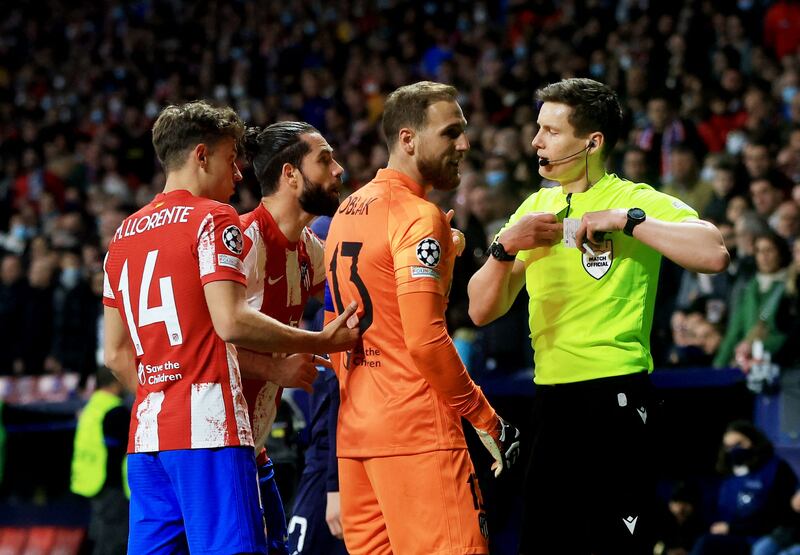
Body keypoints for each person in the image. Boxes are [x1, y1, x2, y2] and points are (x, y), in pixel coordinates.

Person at [467, 78, 729, 555]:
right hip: (548, 397)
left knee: (615, 545)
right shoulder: (535, 209)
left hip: (618, 393)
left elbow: (713, 252)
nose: (536, 141)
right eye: (537, 128)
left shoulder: (635, 198)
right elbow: (481, 309)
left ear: (591, 142)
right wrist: (504, 247)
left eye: (551, 130)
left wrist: (627, 221)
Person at [102, 101, 360, 555]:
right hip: (213, 433)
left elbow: (116, 355)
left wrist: (164, 400)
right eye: (230, 159)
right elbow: (231, 321)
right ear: (202, 156)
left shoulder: (123, 234)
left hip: (149, 437)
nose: (239, 174)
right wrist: (315, 343)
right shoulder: (217, 220)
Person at [324, 81, 520, 555]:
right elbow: (426, 341)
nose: (465, 145)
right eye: (451, 133)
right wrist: (486, 419)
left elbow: (344, 332)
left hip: (358, 438)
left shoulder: (346, 211)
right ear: (409, 139)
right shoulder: (418, 216)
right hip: (417, 435)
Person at [236, 121, 344, 554]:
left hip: (253, 447)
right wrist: (276, 367)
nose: (339, 170)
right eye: (325, 160)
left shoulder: (308, 250)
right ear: (290, 174)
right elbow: (200, 343)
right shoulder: (243, 241)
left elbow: (352, 310)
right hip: (214, 446)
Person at [286, 217, 348, 555]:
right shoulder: (318, 317)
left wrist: (333, 487)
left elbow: (339, 412)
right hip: (326, 463)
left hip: (330, 468)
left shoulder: (343, 319)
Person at [691, 420, 798, 555]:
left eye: (739, 444)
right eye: (728, 446)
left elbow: (778, 516)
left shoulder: (776, 469)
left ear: (754, 441)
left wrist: (732, 528)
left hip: (764, 535)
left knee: (707, 543)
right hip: (735, 534)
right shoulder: (730, 475)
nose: (734, 450)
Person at [70, 366, 130, 555]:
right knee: (115, 541)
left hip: (92, 482)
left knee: (101, 538)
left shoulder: (90, 407)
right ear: (116, 382)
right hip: (113, 485)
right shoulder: (116, 410)